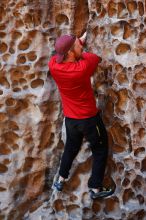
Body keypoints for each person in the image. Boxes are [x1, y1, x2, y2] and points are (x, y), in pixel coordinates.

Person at [48, 33, 114, 199]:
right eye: (79, 45)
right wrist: (79, 49)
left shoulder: (53, 65)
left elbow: (65, 55)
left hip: (70, 120)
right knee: (100, 149)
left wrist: (75, 45)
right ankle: (95, 189)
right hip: (89, 119)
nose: (81, 46)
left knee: (70, 148)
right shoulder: (82, 68)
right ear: (70, 53)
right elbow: (95, 58)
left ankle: (61, 179)